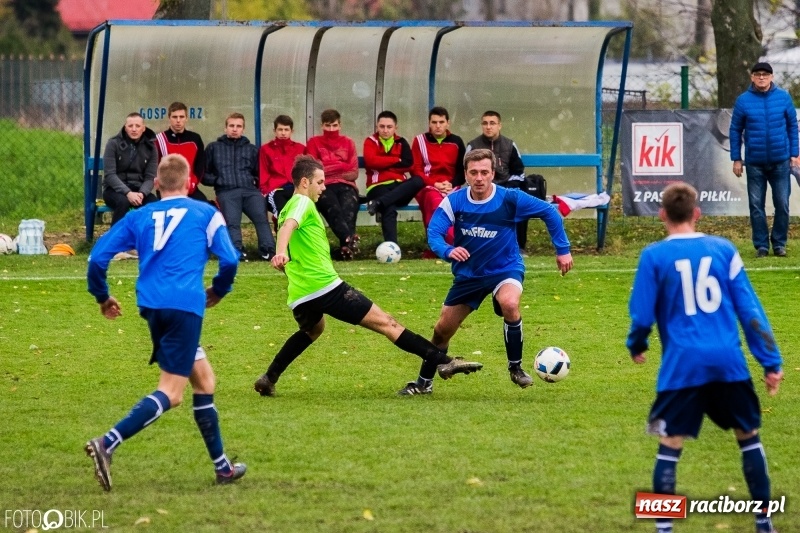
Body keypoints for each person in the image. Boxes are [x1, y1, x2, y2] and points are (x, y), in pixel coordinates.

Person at [253, 155, 483, 397]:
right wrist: (279, 254)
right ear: (304, 182)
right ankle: (444, 361)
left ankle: (269, 378)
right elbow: (288, 225)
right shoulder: (301, 202)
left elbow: (287, 228)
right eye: (319, 182)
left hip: (301, 292)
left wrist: (285, 256)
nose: (323, 187)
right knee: (388, 323)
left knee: (313, 329)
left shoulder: (289, 204)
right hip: (324, 287)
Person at [626, 182, 783, 533]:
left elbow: (641, 315)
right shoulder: (724, 250)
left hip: (683, 366)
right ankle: (764, 521)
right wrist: (771, 363)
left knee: (670, 445)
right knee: (749, 437)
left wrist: (637, 344)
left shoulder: (654, 256)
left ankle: (664, 527)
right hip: (729, 363)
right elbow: (750, 312)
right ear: (697, 213)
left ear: (662, 214)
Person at [85, 154, 246, 491]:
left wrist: (103, 297)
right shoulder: (205, 213)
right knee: (171, 393)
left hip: (152, 305)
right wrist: (219, 289)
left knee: (204, 380)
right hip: (184, 306)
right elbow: (230, 258)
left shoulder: (139, 215)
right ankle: (107, 443)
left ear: (156, 185)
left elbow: (97, 258)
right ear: (190, 184)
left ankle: (223, 468)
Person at [397, 149, 573, 395]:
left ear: (493, 174)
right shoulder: (455, 201)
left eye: (484, 172)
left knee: (510, 303)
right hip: (469, 275)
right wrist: (448, 250)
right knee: (442, 330)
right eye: (473, 173)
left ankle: (516, 368)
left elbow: (549, 211)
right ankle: (424, 383)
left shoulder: (510, 198)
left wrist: (562, 249)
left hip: (505, 268)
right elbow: (434, 233)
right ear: (466, 175)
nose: (479, 178)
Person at [729, 61, 799, 258]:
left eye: (765, 74)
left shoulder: (784, 98)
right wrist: (736, 158)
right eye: (758, 74)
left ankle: (779, 244)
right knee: (756, 205)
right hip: (754, 162)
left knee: (782, 204)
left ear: (772, 77)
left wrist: (794, 154)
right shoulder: (743, 101)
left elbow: (792, 127)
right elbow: (735, 130)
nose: (761, 77)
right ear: (752, 77)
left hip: (781, 161)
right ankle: (761, 245)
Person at [203, 112, 276, 260]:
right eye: (231, 126)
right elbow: (204, 174)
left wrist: (254, 182)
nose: (234, 129)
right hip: (227, 191)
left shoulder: (252, 149)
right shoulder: (214, 148)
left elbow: (259, 172)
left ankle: (268, 250)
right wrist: (218, 181)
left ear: (243, 129)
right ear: (225, 128)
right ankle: (237, 250)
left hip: (250, 191)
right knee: (232, 221)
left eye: (238, 126)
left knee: (261, 218)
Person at [466, 111, 529, 250]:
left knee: (519, 202)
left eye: (492, 123)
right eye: (485, 123)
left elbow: (519, 173)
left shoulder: (510, 145)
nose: (488, 127)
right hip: (481, 189)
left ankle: (519, 247)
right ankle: (479, 246)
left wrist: (506, 189)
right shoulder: (473, 146)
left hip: (506, 188)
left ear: (499, 125)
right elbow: (467, 173)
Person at [305, 109, 361, 260]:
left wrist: (326, 168)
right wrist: (341, 166)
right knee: (333, 208)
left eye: (334, 125)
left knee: (348, 208)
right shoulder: (314, 143)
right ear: (321, 125)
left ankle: (345, 248)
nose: (331, 129)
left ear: (340, 125)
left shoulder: (348, 142)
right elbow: (314, 170)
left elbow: (354, 173)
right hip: (323, 185)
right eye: (327, 126)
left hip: (346, 185)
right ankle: (349, 240)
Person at [410, 106, 466, 258]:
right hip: (427, 186)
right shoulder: (419, 141)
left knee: (458, 206)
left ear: (448, 123)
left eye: (441, 122)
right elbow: (415, 169)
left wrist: (452, 184)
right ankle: (451, 245)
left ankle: (440, 247)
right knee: (436, 205)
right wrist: (434, 184)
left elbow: (463, 170)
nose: (438, 126)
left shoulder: (456, 142)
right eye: (434, 122)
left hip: (451, 186)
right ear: (429, 123)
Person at [363, 110, 422, 245]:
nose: (385, 130)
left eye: (389, 127)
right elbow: (371, 161)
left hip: (399, 187)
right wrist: (396, 159)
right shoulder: (370, 141)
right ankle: (392, 248)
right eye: (382, 126)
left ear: (396, 128)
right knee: (389, 208)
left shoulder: (401, 142)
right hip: (377, 186)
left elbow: (408, 163)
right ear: (377, 127)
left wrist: (383, 162)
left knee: (418, 181)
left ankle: (379, 203)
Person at [102, 112, 158, 225]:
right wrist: (128, 193)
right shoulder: (113, 144)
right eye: (130, 126)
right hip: (114, 190)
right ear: (125, 127)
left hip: (139, 189)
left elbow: (150, 177)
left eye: (137, 126)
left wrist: (142, 193)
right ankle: (116, 238)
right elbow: (110, 175)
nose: (134, 129)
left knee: (154, 204)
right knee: (123, 202)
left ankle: (147, 238)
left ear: (143, 128)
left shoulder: (151, 147)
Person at [154, 101, 208, 203]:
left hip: (190, 188)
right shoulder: (159, 139)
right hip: (167, 190)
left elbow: (200, 165)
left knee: (207, 210)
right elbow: (154, 165)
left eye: (181, 117)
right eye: (174, 117)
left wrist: (192, 183)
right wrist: (161, 186)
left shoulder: (195, 139)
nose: (178, 120)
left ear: (186, 118)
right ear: (169, 118)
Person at [259, 115, 306, 228]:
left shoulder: (300, 149)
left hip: (296, 188)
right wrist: (264, 190)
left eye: (286, 130)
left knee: (301, 209)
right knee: (283, 211)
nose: (283, 133)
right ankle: (284, 241)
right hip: (276, 189)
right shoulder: (266, 149)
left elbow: (306, 170)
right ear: (274, 131)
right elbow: (263, 172)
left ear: (292, 131)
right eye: (280, 129)